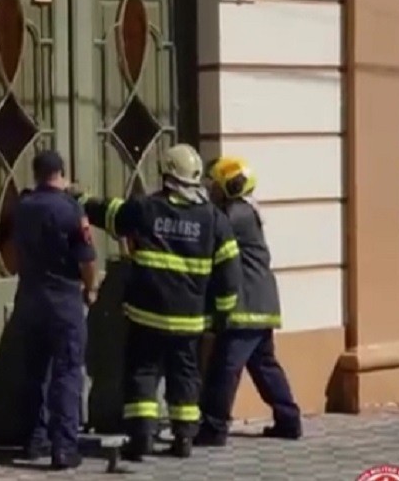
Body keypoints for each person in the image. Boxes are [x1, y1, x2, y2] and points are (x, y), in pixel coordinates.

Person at [73, 143, 242, 461]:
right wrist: (222, 315)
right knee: (185, 376)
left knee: (143, 373)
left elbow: (110, 213)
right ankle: (184, 439)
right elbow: (230, 274)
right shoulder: (214, 220)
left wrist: (78, 199)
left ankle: (141, 439)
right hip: (189, 320)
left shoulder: (146, 208)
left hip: (146, 314)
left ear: (166, 173)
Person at [195, 156, 303, 447]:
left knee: (223, 368)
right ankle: (289, 420)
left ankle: (214, 428)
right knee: (265, 366)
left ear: (230, 186)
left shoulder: (235, 214)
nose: (211, 191)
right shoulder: (245, 211)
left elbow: (207, 227)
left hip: (246, 305)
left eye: (215, 185)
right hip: (261, 302)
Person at [14, 150, 97, 470]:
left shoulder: (22, 207)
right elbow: (87, 259)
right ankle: (63, 448)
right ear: (61, 172)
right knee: (66, 372)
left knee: (34, 371)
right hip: (64, 299)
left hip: (30, 296)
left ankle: (34, 440)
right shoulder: (69, 209)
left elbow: (10, 252)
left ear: (36, 174)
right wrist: (90, 288)